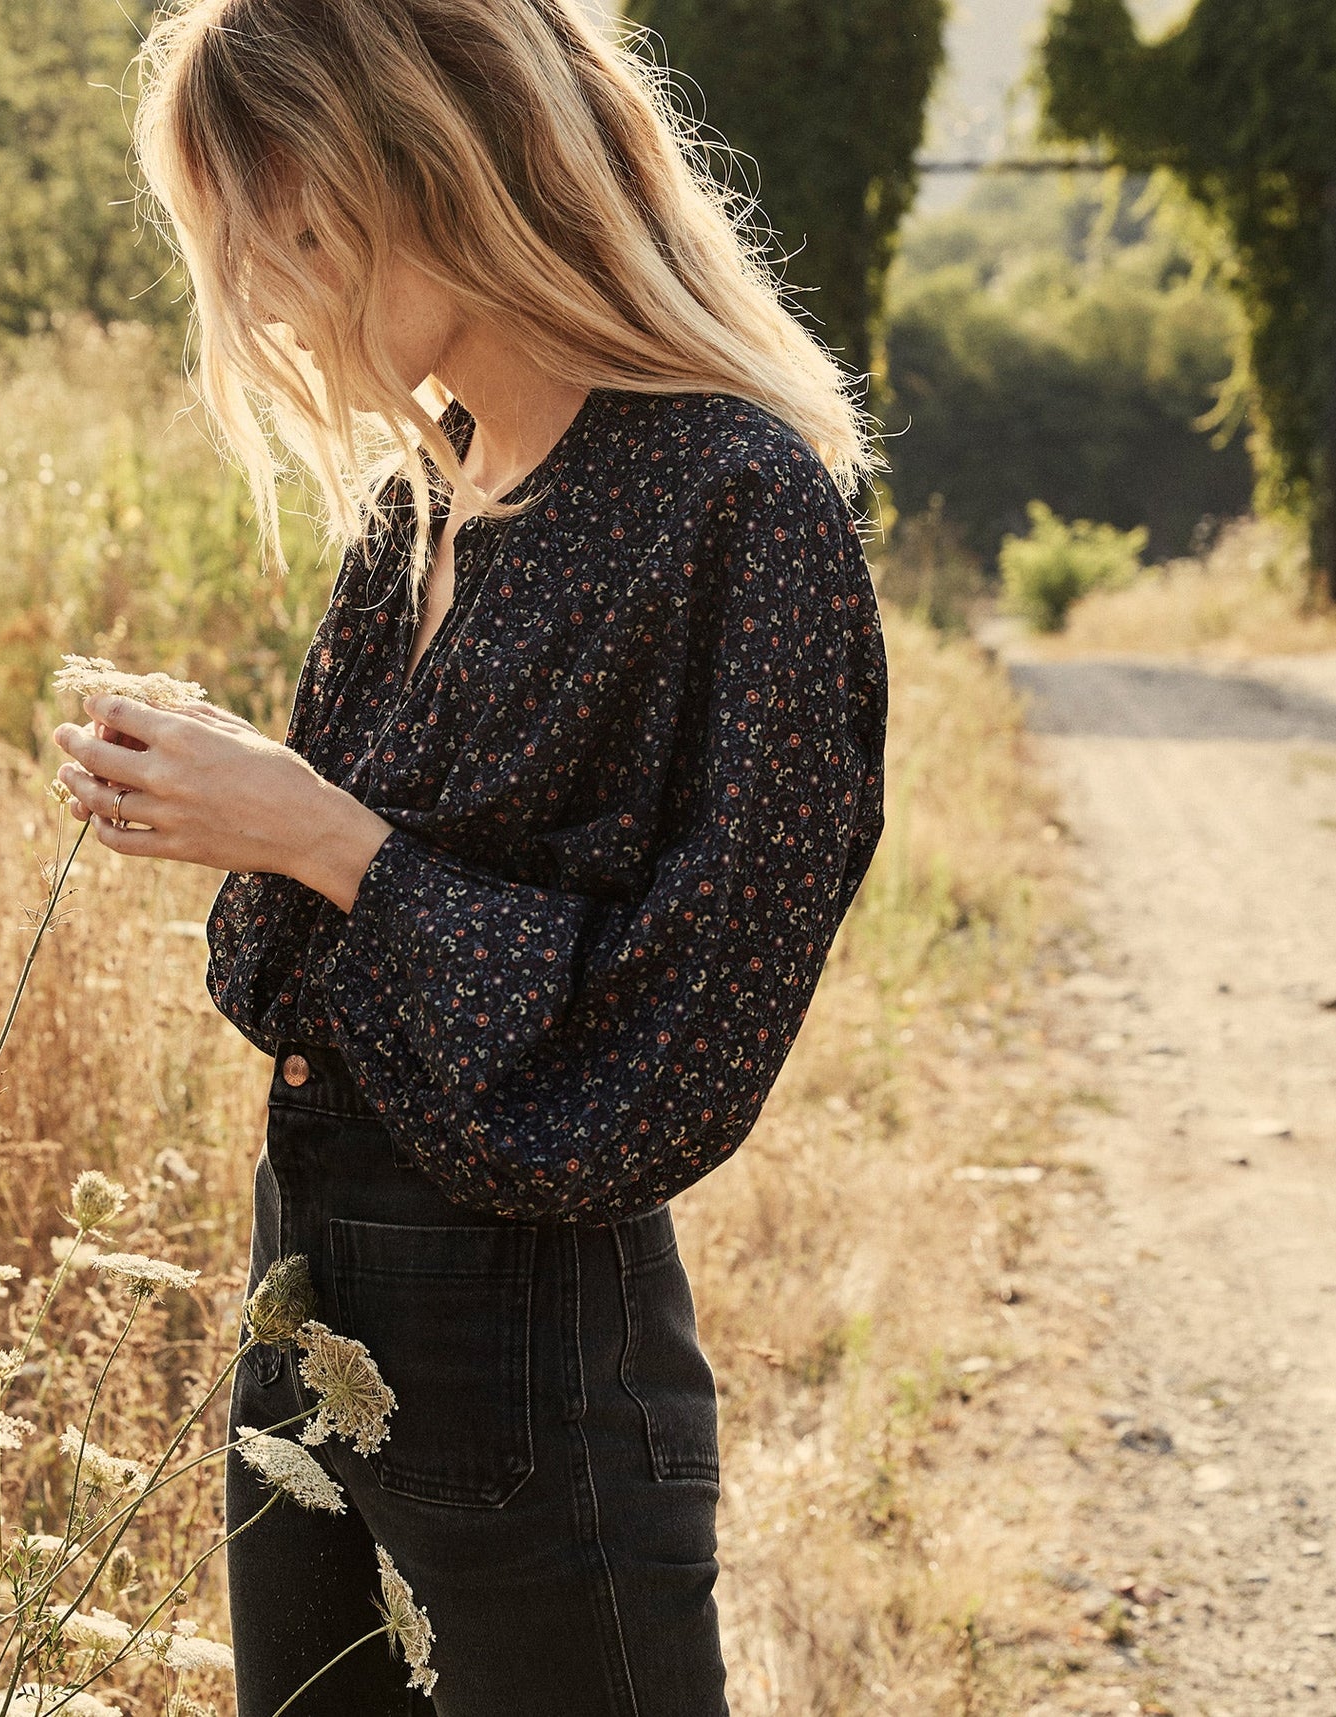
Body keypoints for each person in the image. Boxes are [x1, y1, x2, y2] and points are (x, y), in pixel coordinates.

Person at [49, 1, 890, 1710]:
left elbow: (668, 1058)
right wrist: (236, 803)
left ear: (435, 170)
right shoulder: (419, 501)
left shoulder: (735, 507)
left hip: (538, 1372)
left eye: (288, 231)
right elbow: (276, 974)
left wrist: (317, 830)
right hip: (304, 1300)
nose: (261, 294)